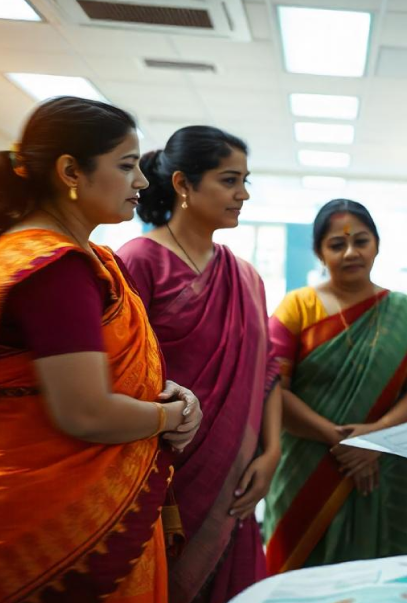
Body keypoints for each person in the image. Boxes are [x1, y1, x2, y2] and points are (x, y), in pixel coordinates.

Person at [0, 97, 202, 602]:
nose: (142, 182)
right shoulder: (53, 269)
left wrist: (164, 396)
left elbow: (113, 377)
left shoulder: (88, 261)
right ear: (71, 170)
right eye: (127, 165)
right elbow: (85, 412)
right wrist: (168, 418)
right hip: (57, 519)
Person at [119, 126, 282, 603]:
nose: (243, 194)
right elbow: (125, 375)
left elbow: (268, 372)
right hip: (163, 479)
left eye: (246, 180)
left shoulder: (246, 276)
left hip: (235, 481)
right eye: (230, 180)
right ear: (184, 185)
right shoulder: (138, 261)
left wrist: (271, 455)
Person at [263, 199, 407, 571]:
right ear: (318, 251)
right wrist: (339, 438)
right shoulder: (296, 308)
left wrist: (374, 438)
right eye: (336, 244)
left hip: (384, 464)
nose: (350, 253)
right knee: (299, 581)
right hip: (307, 467)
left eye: (361, 241)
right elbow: (274, 388)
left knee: (383, 581)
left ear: (377, 245)